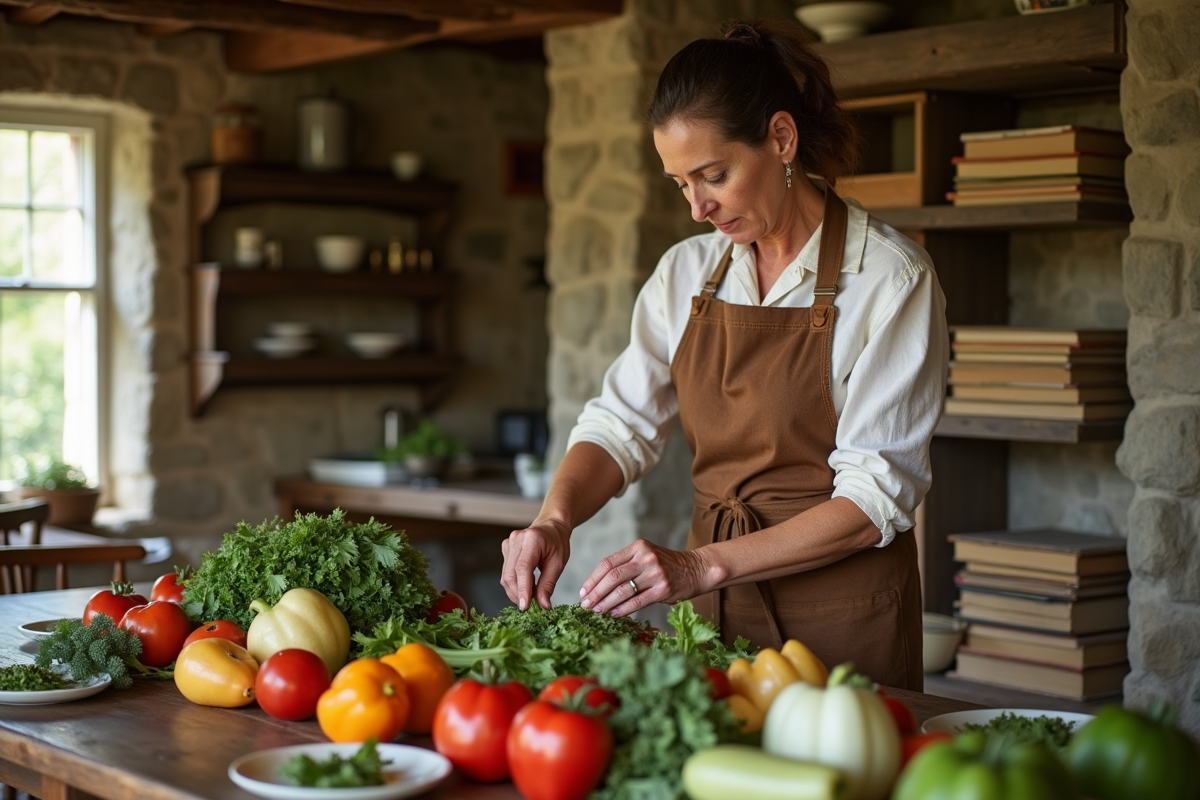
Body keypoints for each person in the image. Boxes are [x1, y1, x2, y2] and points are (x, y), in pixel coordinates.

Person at [500, 19, 948, 690]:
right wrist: (554, 519)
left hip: (843, 617)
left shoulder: (889, 279)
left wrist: (700, 565)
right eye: (681, 183)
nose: (697, 208)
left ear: (781, 138)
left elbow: (874, 496)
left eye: (714, 175)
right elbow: (619, 426)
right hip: (713, 612)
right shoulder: (685, 274)